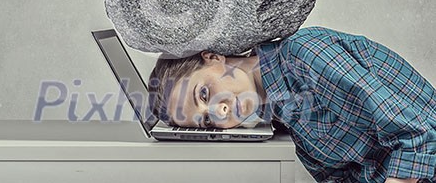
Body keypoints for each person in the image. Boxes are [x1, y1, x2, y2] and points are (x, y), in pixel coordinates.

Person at [148, 26, 436, 183]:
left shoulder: (303, 56)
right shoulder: (280, 114)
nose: (218, 112)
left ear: (212, 57)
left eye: (203, 95)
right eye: (207, 122)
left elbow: (415, 136)